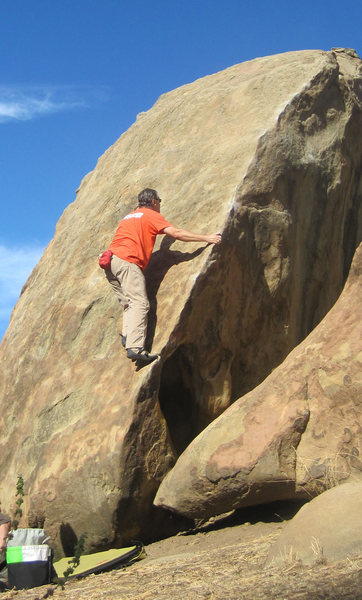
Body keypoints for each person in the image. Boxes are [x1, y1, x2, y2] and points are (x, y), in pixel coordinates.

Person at [105, 188, 222, 364]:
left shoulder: (130, 216)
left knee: (129, 302)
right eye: (159, 201)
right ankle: (135, 347)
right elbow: (176, 233)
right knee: (140, 303)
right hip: (127, 261)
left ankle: (128, 335)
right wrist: (207, 238)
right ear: (153, 202)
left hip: (110, 262)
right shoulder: (150, 215)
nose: (160, 205)